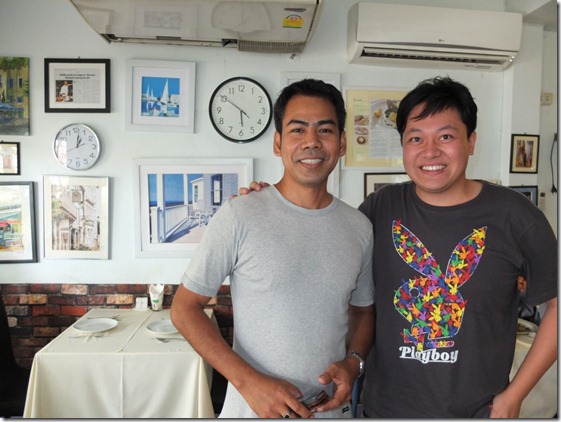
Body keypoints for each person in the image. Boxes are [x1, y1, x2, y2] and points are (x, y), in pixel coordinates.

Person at [242, 76, 558, 418]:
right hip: (383, 411)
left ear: (471, 141)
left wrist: (516, 394)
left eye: (446, 136)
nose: (430, 151)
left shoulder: (516, 216)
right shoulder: (381, 208)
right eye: (416, 138)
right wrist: (270, 204)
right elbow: (324, 238)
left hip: (478, 413)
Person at [170, 79, 375, 418]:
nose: (311, 141)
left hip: (330, 411)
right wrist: (248, 383)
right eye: (297, 130)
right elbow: (184, 309)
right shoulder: (241, 213)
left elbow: (362, 311)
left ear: (341, 144)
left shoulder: (359, 227)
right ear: (278, 143)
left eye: (325, 130)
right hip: (251, 411)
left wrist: (354, 362)